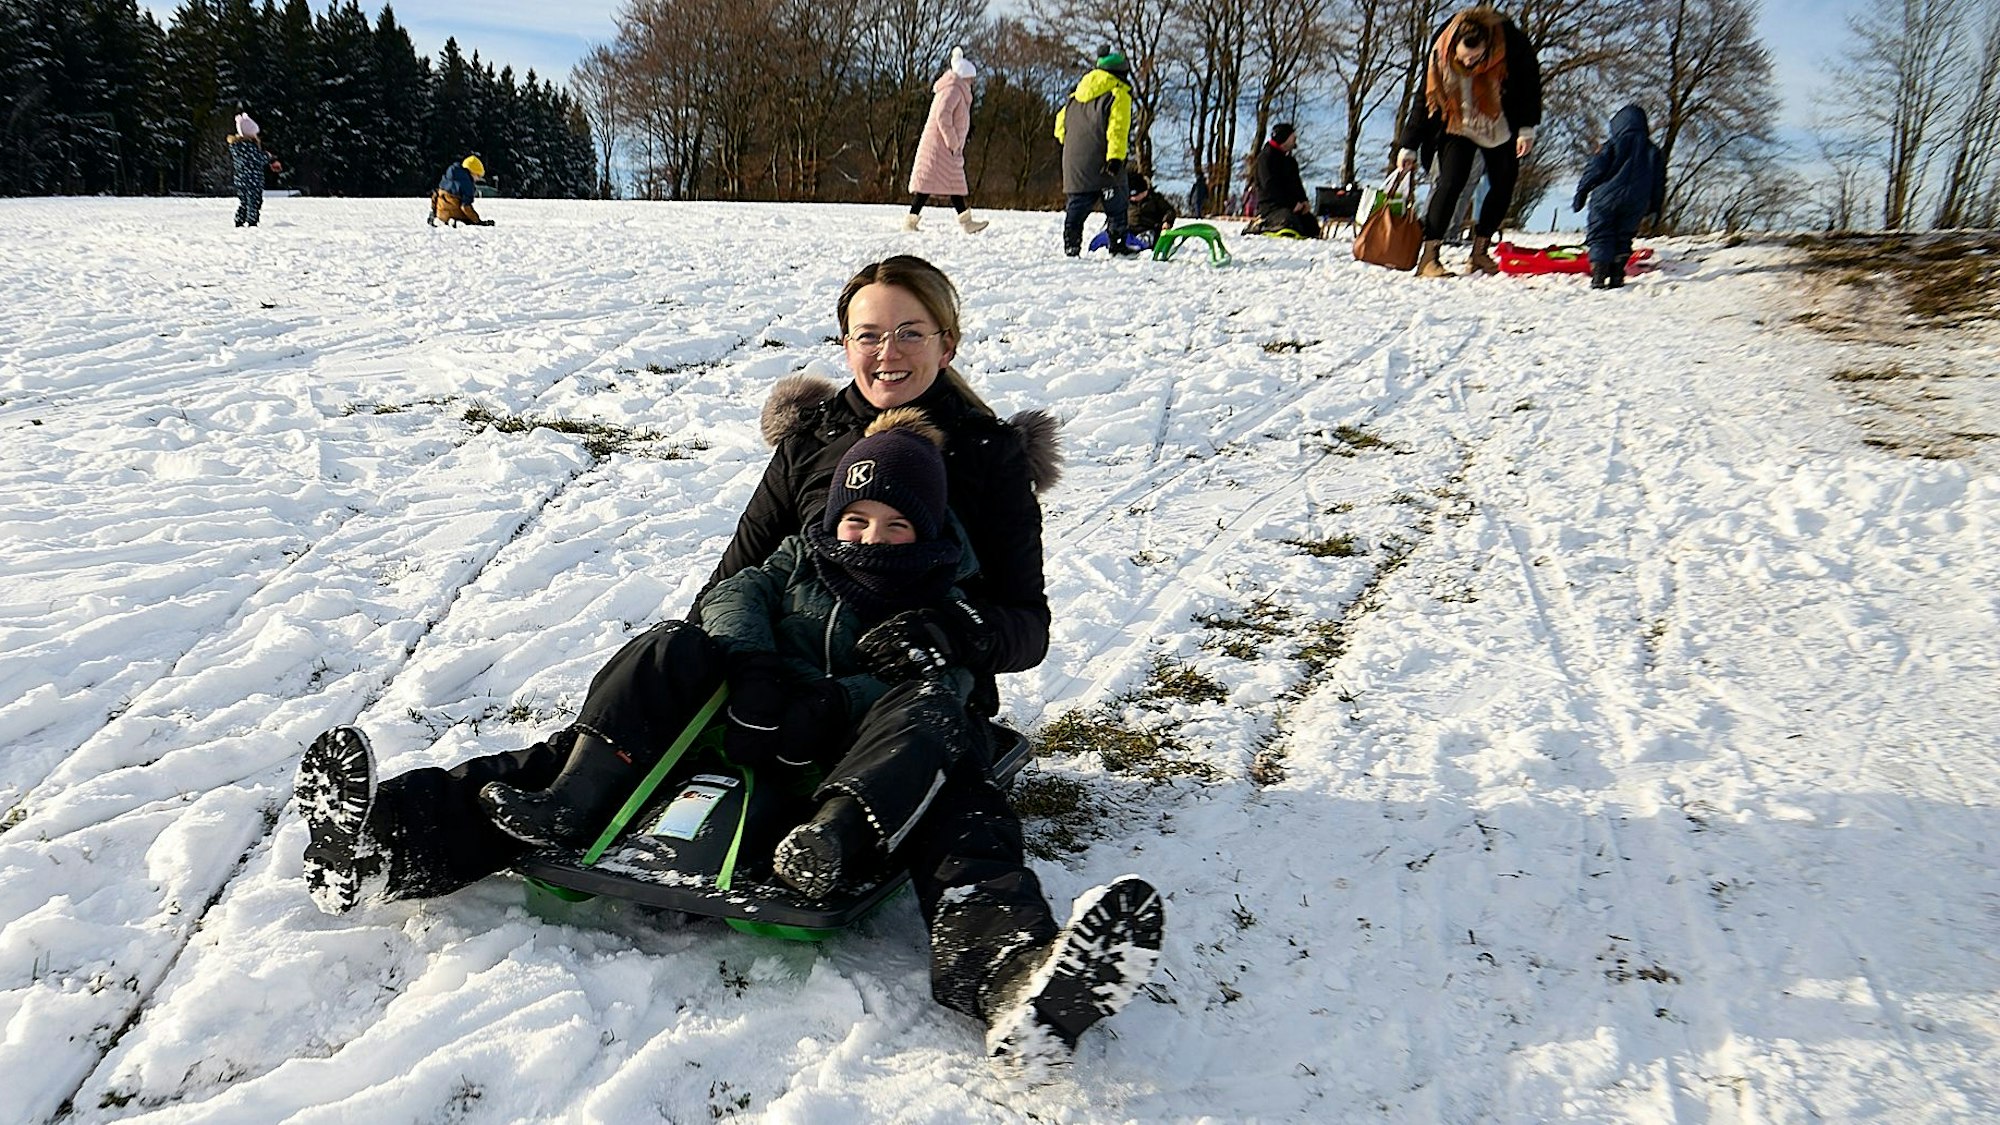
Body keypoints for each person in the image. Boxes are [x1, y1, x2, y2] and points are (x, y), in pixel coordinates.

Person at [292, 254, 1162, 1068]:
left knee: (955, 808)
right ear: (845, 341)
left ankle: (1007, 975)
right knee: (599, 745)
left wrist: (958, 633)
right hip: (770, 680)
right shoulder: (815, 439)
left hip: (901, 701)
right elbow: (735, 578)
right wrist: (743, 667)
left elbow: (1026, 622)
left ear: (947, 340)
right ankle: (389, 845)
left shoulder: (988, 457)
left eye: (908, 332)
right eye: (867, 333)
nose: (886, 353)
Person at [1397, 5, 1542, 277]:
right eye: (1463, 58)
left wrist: (1526, 128)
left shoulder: (1511, 44)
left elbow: (1529, 84)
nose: (1468, 64)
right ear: (1454, 47)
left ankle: (1479, 253)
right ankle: (1429, 257)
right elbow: (1424, 95)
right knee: (1451, 182)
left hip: (1498, 121)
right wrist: (1409, 145)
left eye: (1476, 59)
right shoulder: (1441, 48)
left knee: (1503, 183)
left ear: (1488, 46)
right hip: (1456, 120)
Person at [1572, 102, 1667, 290]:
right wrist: (1656, 206)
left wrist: (1581, 192)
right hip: (1636, 201)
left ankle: (1599, 274)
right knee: (1624, 235)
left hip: (1605, 198)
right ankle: (1617, 274)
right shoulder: (1653, 151)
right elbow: (1659, 182)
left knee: (1601, 233)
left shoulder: (1612, 145)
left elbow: (1594, 169)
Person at [1054, 48, 1138, 258]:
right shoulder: (1119, 93)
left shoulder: (1073, 98)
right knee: (1117, 203)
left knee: (1077, 206)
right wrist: (1116, 158)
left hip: (1075, 164)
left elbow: (1059, 130)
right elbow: (1117, 129)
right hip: (1104, 163)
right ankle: (1118, 244)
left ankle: (1071, 245)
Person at [906, 47, 989, 234]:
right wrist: (953, 141)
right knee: (931, 184)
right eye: (971, 78)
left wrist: (964, 133)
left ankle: (965, 221)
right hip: (941, 147)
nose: (973, 82)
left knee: (952, 183)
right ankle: (911, 222)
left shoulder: (955, 90)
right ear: (965, 77)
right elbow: (943, 115)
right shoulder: (953, 90)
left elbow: (953, 117)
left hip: (944, 147)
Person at [1252, 122, 1319, 238]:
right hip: (1272, 207)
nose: (1295, 141)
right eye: (1293, 138)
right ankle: (1261, 226)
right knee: (1289, 221)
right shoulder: (1266, 158)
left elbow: (1297, 184)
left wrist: (1304, 201)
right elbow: (1270, 186)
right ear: (1284, 138)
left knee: (1311, 226)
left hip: (1293, 207)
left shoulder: (1290, 161)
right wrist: (1291, 203)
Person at [227, 112, 277, 228]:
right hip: (252, 179)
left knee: (244, 201)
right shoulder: (249, 147)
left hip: (240, 179)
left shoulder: (237, 147)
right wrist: (268, 157)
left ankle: (239, 220)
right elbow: (258, 159)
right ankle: (252, 222)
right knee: (254, 201)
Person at [430, 154, 493, 227]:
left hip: (440, 213)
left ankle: (440, 220)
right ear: (471, 172)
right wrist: (478, 221)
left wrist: (433, 212)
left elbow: (435, 195)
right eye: (478, 175)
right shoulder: (467, 184)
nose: (478, 179)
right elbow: (465, 207)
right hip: (455, 213)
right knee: (465, 215)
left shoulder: (447, 177)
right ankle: (455, 221)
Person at [1126, 173, 1179, 244]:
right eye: (1131, 196)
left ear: (1144, 191)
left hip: (1149, 229)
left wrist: (1166, 221)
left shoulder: (1155, 199)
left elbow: (1169, 211)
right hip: (1131, 230)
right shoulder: (1127, 202)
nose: (1134, 198)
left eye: (1136, 195)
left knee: (1144, 240)